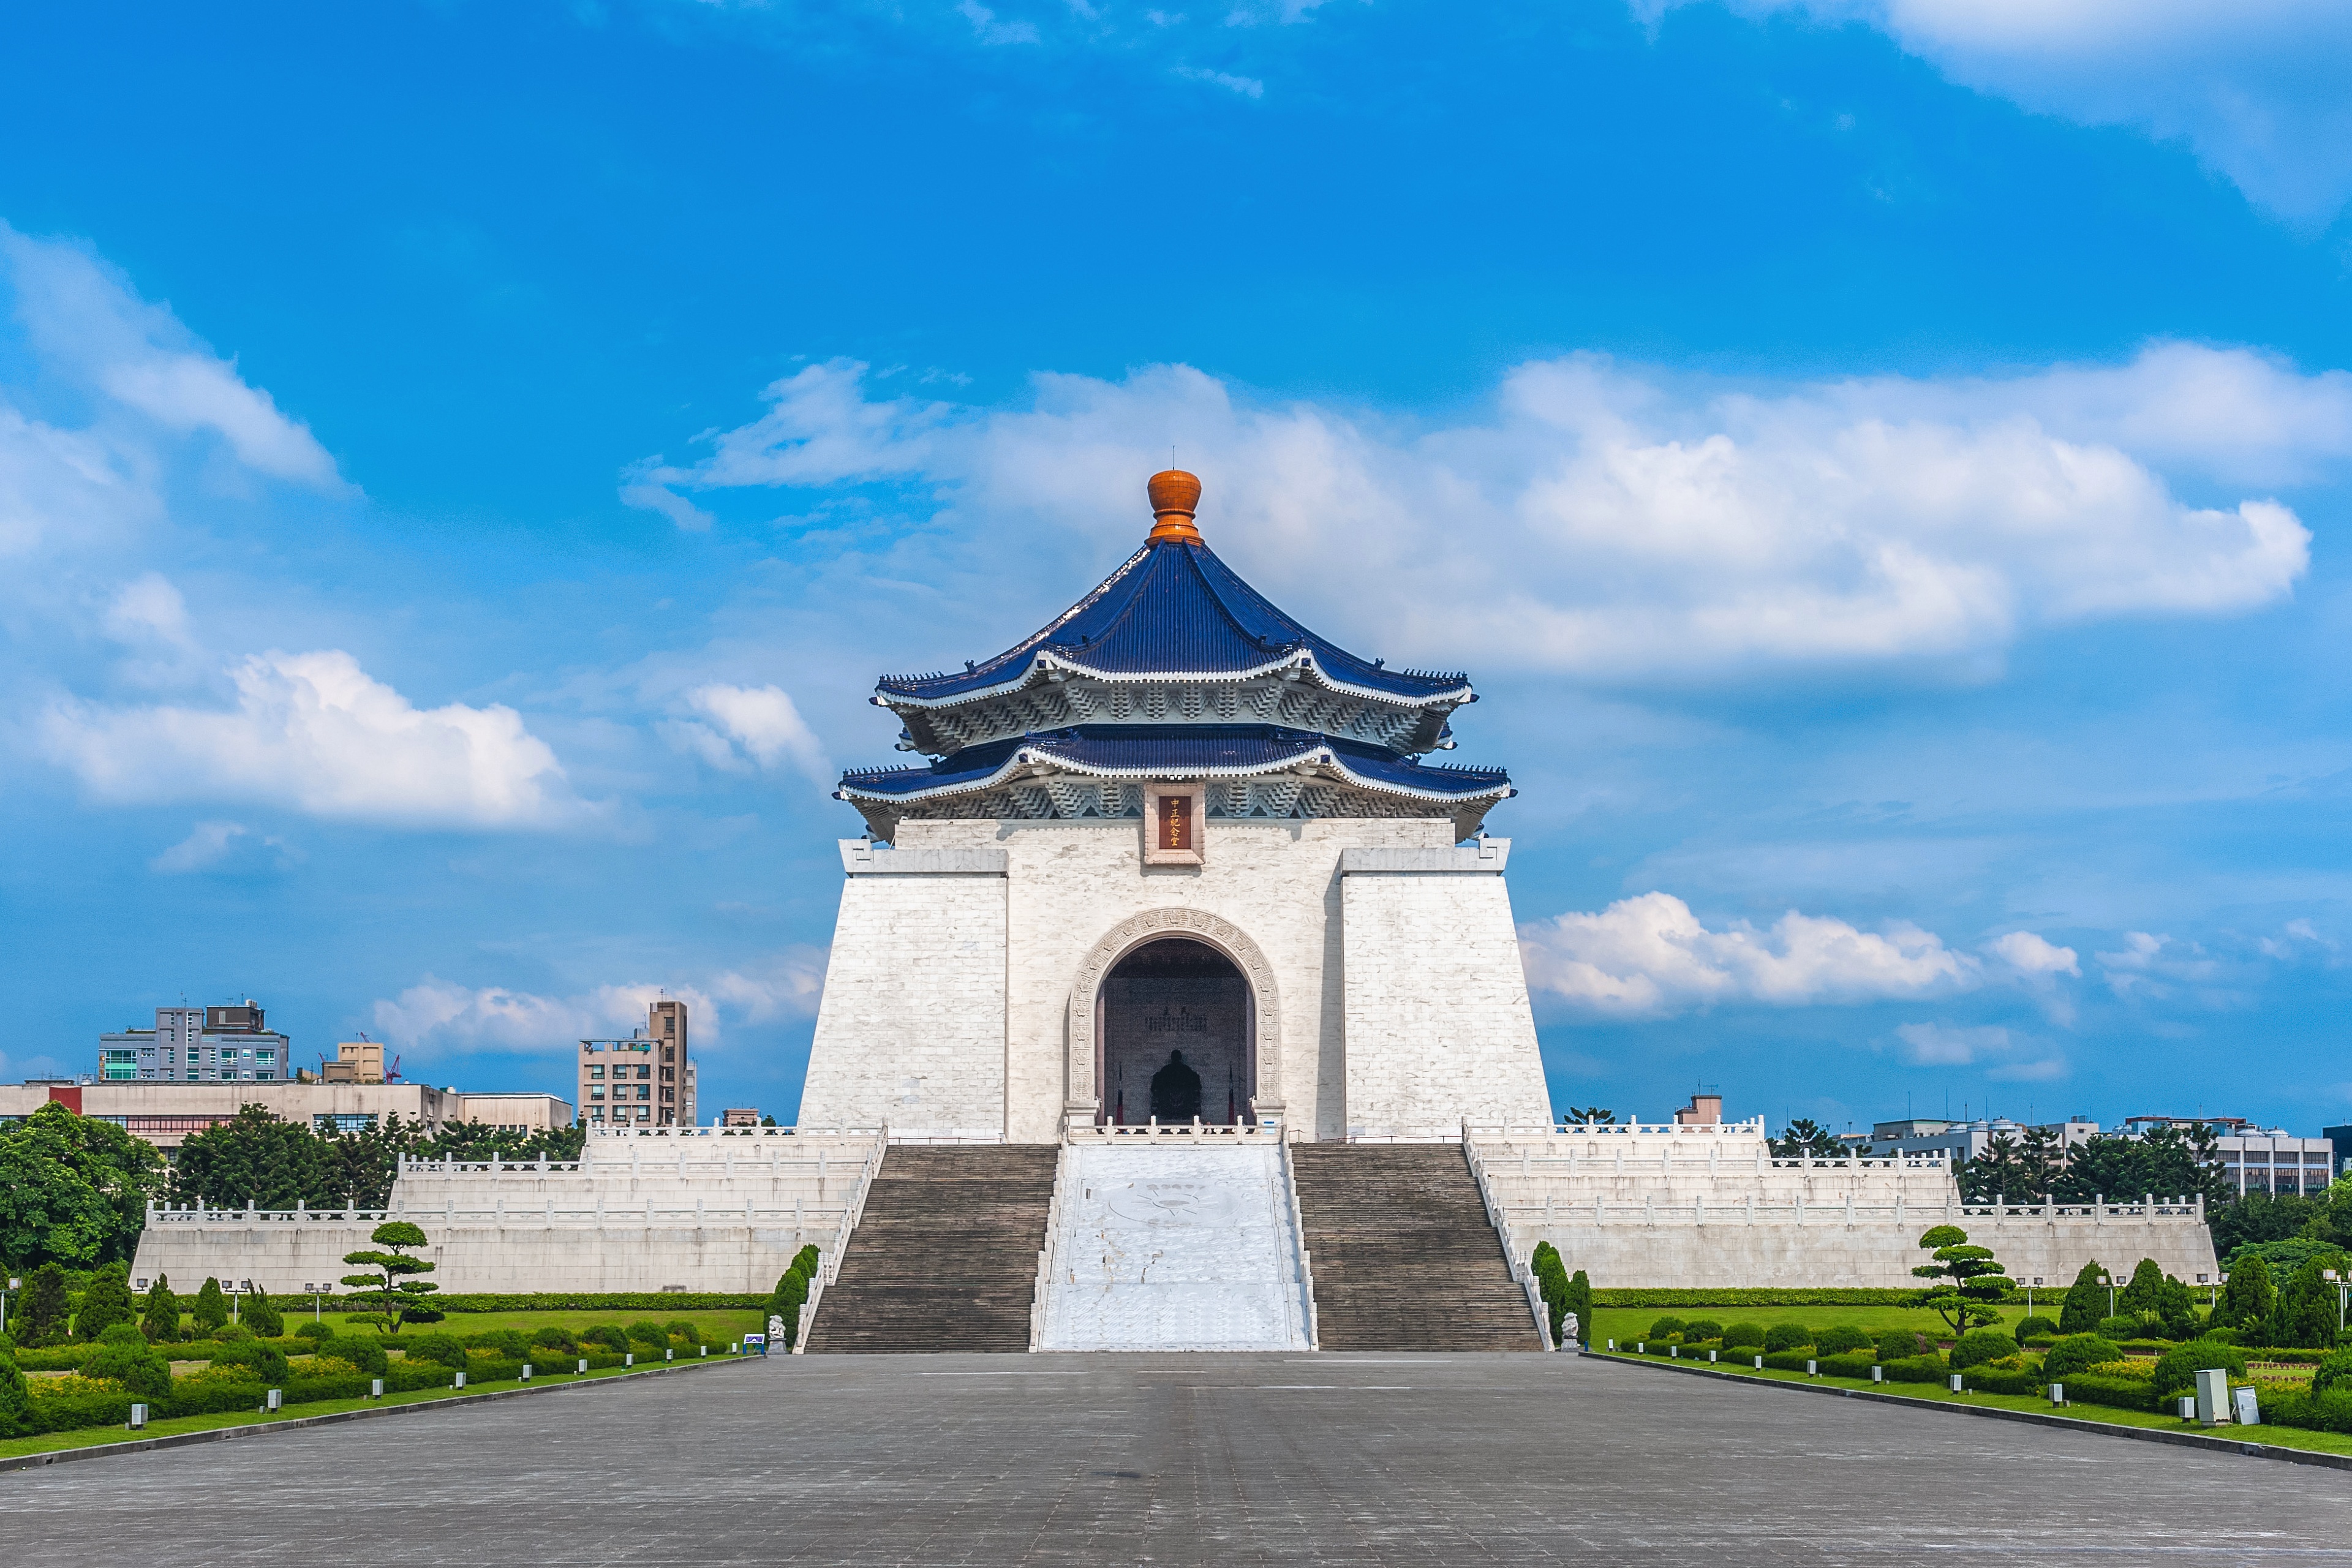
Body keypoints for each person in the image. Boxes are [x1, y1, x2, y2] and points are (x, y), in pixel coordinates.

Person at [1150, 1049, 1203, 1122]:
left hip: (1177, 1102)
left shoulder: (1166, 1070)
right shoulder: (1186, 1070)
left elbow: (1155, 1086)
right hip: (1175, 1102)